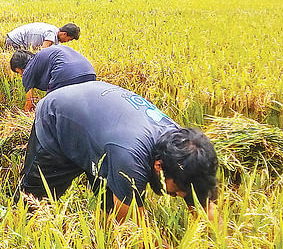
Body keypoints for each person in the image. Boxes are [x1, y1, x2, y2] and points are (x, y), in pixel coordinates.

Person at [17, 80, 218, 223]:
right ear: (159, 166)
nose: (179, 195)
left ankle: (102, 236)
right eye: (178, 191)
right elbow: (132, 229)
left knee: (111, 202)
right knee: (34, 202)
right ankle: (16, 242)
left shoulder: (181, 146)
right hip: (58, 117)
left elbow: (201, 201)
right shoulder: (130, 158)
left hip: (101, 119)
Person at [9, 46, 96, 111]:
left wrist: (26, 118)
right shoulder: (40, 58)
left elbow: (30, 103)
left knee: (49, 107)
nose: (20, 75)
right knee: (82, 106)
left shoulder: (28, 69)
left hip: (65, 73)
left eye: (18, 72)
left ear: (19, 68)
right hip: (89, 72)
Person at [4, 22, 80, 50]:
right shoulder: (51, 34)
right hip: (14, 41)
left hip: (14, 38)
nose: (67, 42)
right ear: (64, 34)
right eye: (69, 39)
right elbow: (44, 51)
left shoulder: (54, 33)